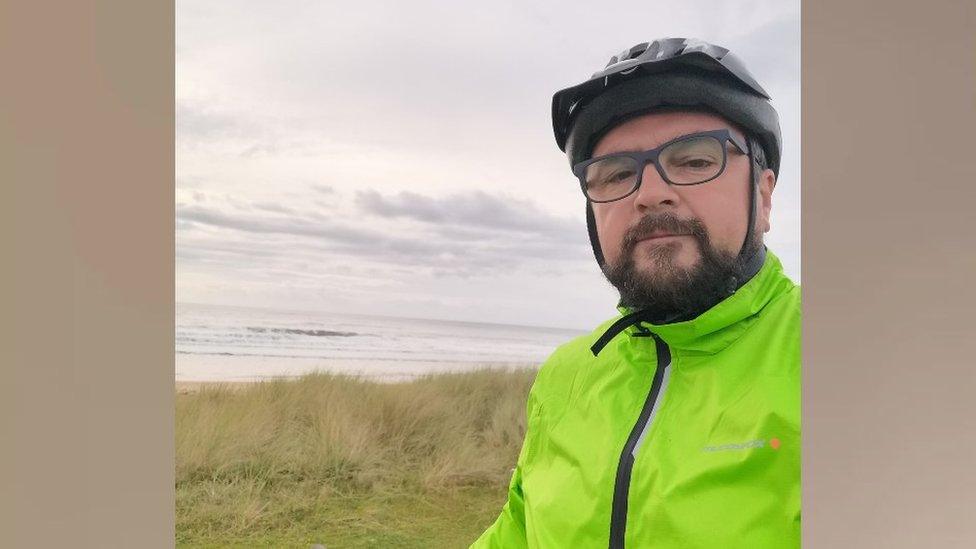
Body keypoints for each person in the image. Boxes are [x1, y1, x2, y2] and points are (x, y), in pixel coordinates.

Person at [471, 38, 800, 548]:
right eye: (618, 174)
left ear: (763, 193)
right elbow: (518, 531)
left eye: (694, 160)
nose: (649, 194)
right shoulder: (568, 373)